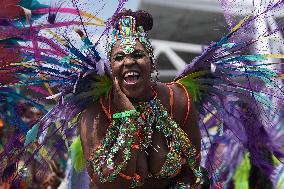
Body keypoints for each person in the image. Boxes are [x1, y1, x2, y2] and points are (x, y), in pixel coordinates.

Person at [79, 10, 203, 189]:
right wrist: (128, 117)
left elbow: (192, 171)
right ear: (111, 69)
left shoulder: (178, 100)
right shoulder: (96, 114)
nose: (128, 62)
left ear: (151, 62)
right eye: (119, 57)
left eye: (137, 55)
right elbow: (110, 183)